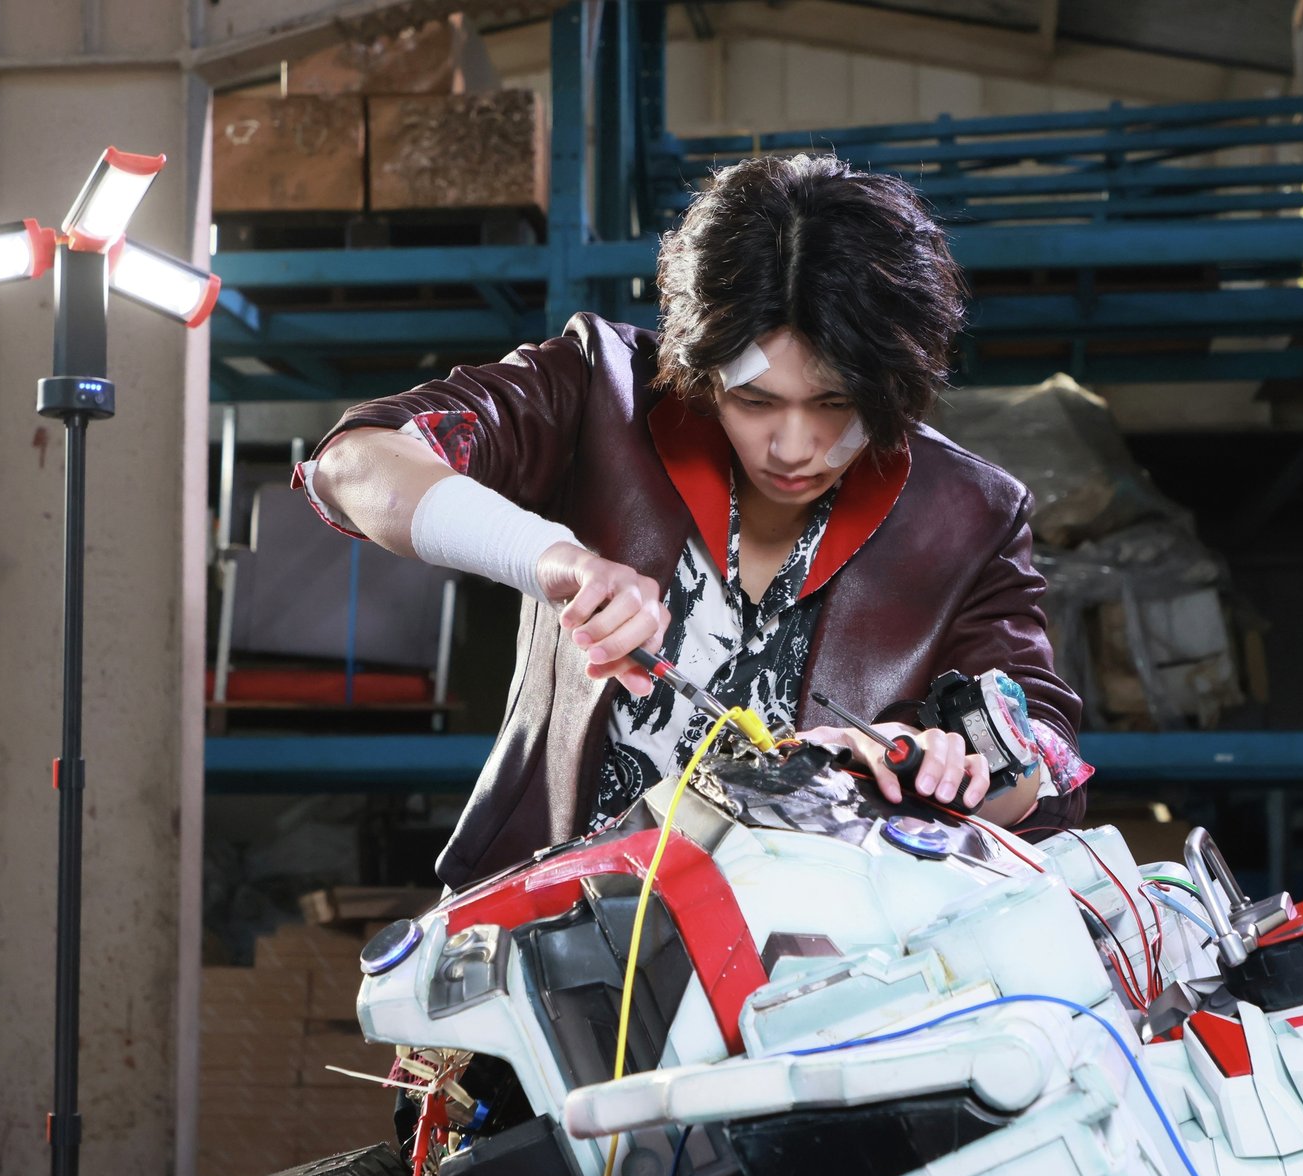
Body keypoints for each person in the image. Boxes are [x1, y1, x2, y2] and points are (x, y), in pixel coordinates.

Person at [297, 153, 1090, 888]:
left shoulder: (971, 515)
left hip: (814, 963)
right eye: (755, 401)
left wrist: (948, 769)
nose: (794, 447)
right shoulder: (599, 392)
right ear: (703, 373)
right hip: (544, 917)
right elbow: (352, 464)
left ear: (894, 384)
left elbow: (1050, 763)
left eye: (836, 404)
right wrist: (553, 558)